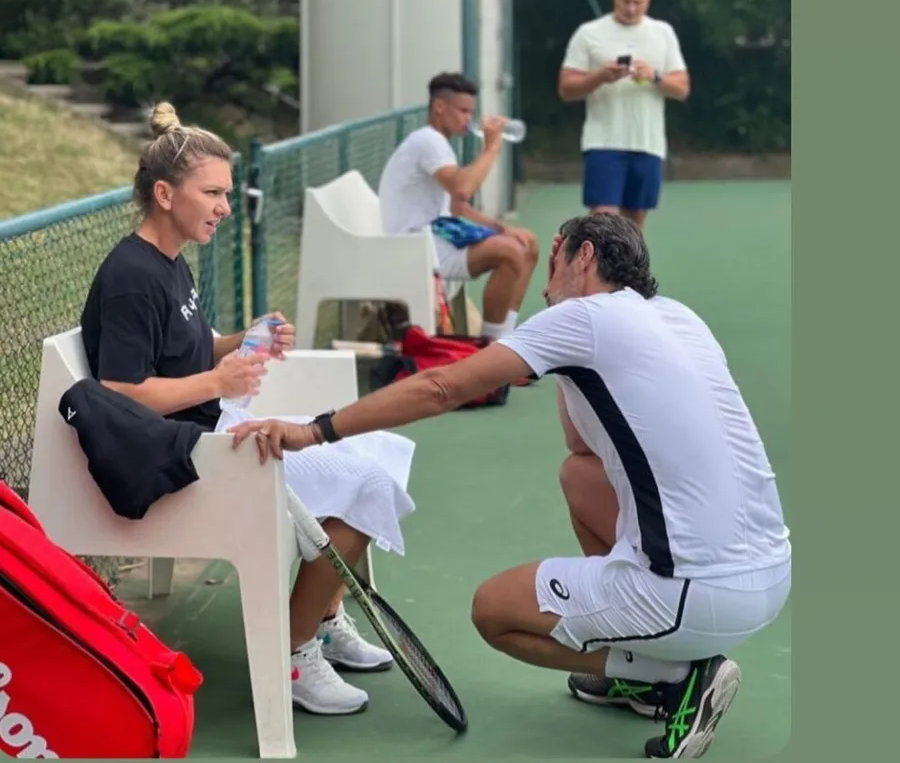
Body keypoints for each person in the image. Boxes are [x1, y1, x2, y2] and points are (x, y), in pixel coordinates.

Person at [229, 214, 790, 760]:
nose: (545, 287)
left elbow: (440, 387)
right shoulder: (678, 316)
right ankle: (643, 670)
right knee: (579, 477)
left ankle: (672, 676)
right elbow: (581, 447)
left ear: (585, 257)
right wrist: (556, 359)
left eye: (554, 264)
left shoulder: (586, 317)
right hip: (770, 576)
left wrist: (313, 431)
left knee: (494, 610)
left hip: (696, 594)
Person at [79, 101, 418, 718]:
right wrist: (218, 378)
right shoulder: (132, 276)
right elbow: (119, 392)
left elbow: (184, 351)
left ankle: (323, 617)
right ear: (164, 194)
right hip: (189, 454)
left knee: (378, 451)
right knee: (366, 483)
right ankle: (294, 653)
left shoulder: (171, 261)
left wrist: (243, 340)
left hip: (214, 427)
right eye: (212, 193)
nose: (225, 208)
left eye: (227, 194)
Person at [378, 71, 539, 341]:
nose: (469, 119)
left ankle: (507, 339)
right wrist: (491, 148)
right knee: (511, 253)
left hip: (437, 236)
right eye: (463, 111)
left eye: (471, 112)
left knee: (527, 243)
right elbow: (463, 188)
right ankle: (491, 347)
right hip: (414, 245)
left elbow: (457, 207)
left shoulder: (438, 143)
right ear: (439, 107)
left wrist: (502, 228)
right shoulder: (428, 140)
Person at [558, 0, 690, 230]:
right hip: (603, 141)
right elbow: (566, 88)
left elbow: (682, 88)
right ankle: (595, 259)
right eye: (625, 1)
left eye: (638, 3)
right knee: (602, 220)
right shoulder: (589, 33)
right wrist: (601, 77)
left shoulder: (663, 33)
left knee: (633, 225)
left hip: (647, 143)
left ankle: (628, 260)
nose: (631, 9)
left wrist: (654, 76)